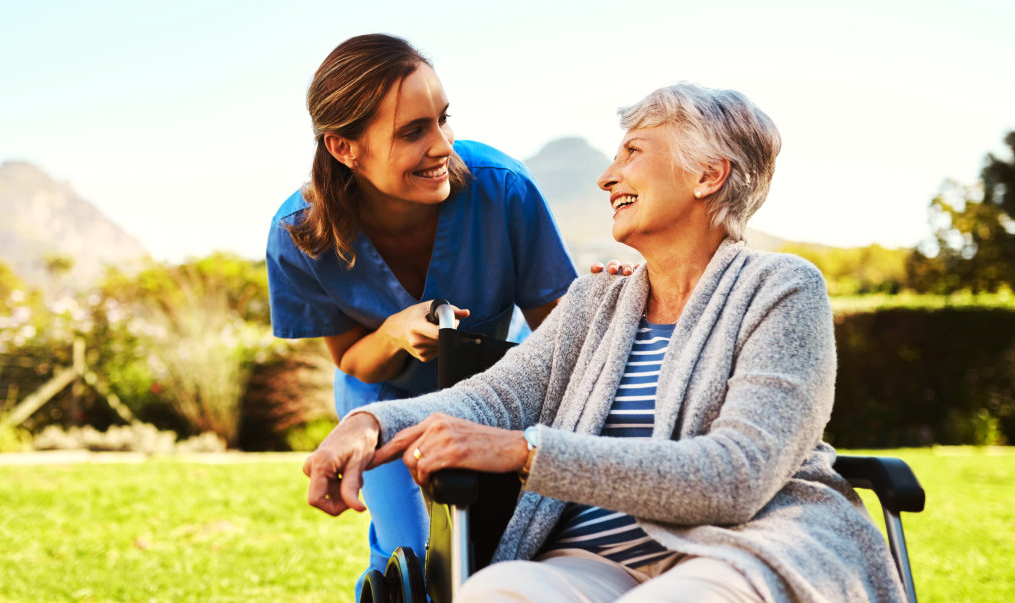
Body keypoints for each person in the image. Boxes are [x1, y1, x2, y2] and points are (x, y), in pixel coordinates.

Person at [303, 83, 908, 602]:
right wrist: (371, 422)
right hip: (593, 564)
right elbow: (492, 400)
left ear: (708, 174)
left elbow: (738, 475)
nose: (606, 175)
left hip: (740, 550)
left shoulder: (779, 289)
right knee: (491, 593)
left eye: (633, 153)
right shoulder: (598, 303)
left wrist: (528, 453)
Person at [266, 33, 592, 591]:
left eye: (443, 120)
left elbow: (562, 340)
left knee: (495, 551)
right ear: (344, 147)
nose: (443, 146)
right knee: (414, 561)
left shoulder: (503, 190)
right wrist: (393, 334)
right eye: (413, 131)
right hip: (381, 399)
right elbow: (351, 360)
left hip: (493, 388)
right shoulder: (298, 235)